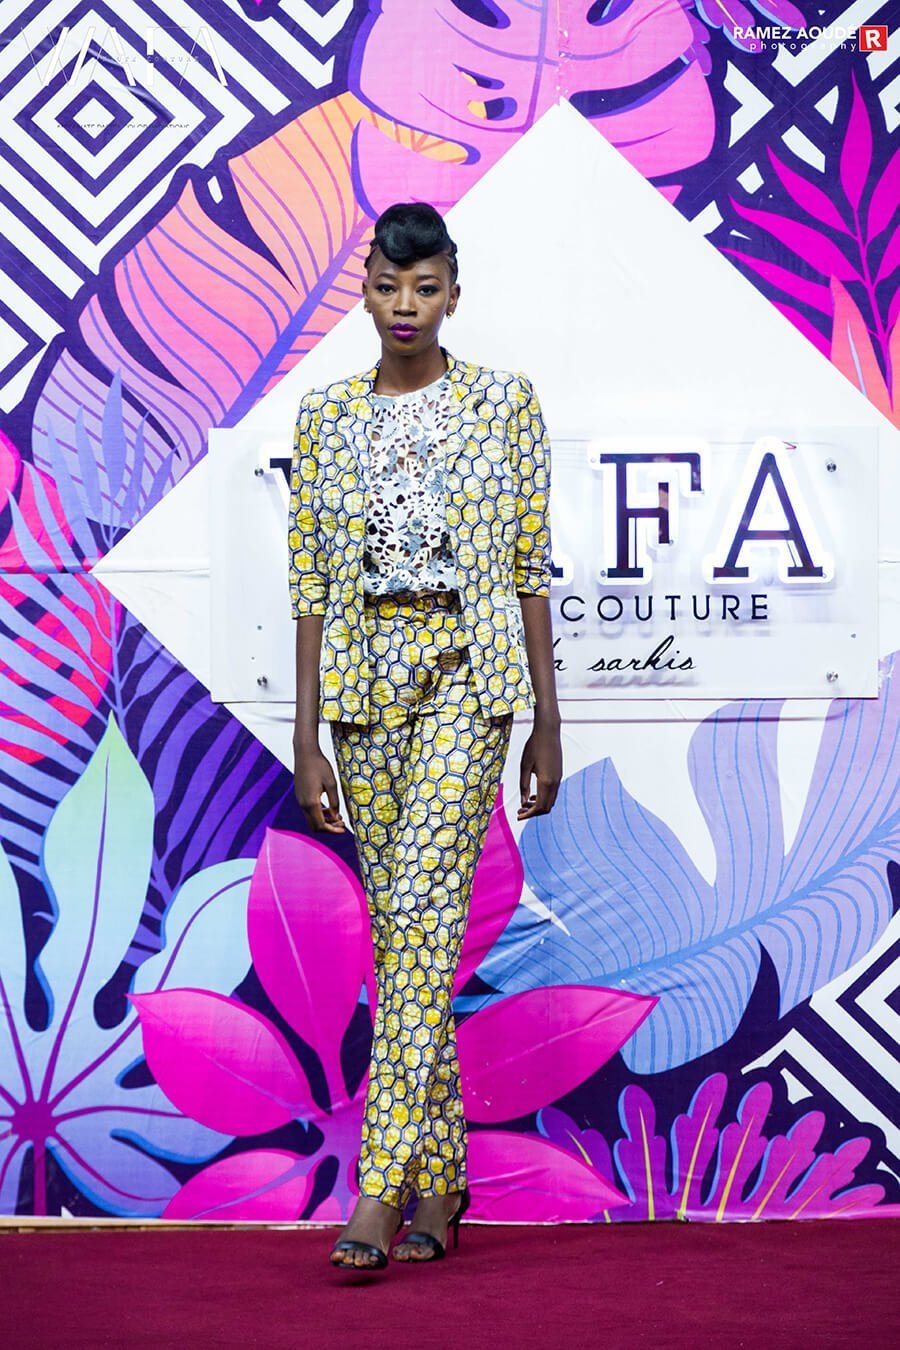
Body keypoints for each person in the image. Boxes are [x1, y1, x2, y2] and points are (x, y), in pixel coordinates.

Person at [289, 201, 561, 1270]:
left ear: (453, 292)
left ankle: (380, 1186)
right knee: (407, 936)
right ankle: (445, 1187)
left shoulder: (504, 403)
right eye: (388, 285)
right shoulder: (326, 417)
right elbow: (310, 583)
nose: (406, 304)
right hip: (363, 688)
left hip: (467, 673)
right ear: (364, 289)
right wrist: (307, 735)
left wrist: (547, 718)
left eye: (427, 286)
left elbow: (530, 564)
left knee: (416, 914)